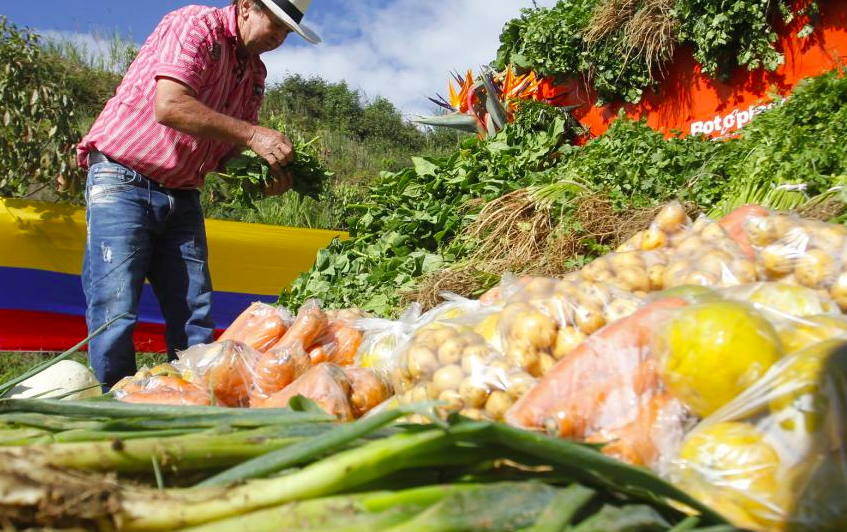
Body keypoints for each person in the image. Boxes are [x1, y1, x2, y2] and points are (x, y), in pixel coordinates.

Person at [76, 0, 321, 389]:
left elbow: (225, 149)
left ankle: (194, 403)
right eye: (274, 23)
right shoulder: (197, 27)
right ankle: (114, 411)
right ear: (244, 6)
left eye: (286, 32)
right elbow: (170, 106)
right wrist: (253, 135)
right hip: (123, 180)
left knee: (195, 315)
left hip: (183, 193)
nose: (278, 37)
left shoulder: (255, 73)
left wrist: (262, 174)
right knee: (115, 308)